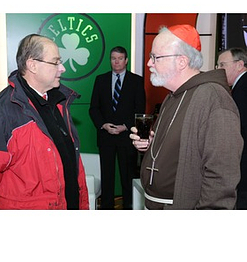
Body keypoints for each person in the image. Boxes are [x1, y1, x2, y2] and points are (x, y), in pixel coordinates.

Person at [0, 34, 89, 210]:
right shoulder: (1, 112)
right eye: (55, 62)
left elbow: (70, 161)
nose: (62, 68)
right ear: (32, 65)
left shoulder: (60, 102)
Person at [130, 24, 243, 209]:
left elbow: (221, 177)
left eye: (155, 57)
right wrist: (150, 146)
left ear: (181, 61)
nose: (149, 63)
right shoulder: (172, 96)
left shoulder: (213, 98)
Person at [89, 46, 146, 209]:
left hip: (127, 137)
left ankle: (129, 207)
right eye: (113, 58)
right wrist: (103, 125)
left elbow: (140, 109)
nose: (116, 61)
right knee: (107, 176)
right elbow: (93, 108)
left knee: (127, 176)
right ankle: (106, 208)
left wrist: (125, 126)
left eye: (120, 58)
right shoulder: (101, 80)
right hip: (106, 136)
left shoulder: (136, 81)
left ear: (126, 60)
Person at [217, 48, 247, 209]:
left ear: (240, 64)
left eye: (223, 64)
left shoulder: (242, 88)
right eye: (217, 65)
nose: (219, 69)